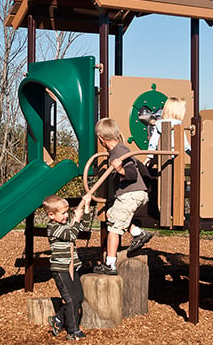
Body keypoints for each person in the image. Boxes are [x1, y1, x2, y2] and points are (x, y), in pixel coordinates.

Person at [93, 117, 150, 275]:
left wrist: (119, 170)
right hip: (134, 194)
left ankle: (110, 264)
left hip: (131, 194)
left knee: (114, 228)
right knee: (114, 215)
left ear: (101, 139)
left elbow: (131, 174)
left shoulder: (120, 152)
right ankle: (137, 233)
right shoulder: (119, 150)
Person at [43, 193, 94, 340]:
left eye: (67, 212)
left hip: (72, 266)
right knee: (70, 299)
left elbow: (83, 227)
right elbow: (71, 235)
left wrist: (86, 207)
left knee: (78, 297)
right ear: (51, 215)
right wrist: (76, 219)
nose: (66, 216)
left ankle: (58, 319)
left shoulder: (65, 223)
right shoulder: (52, 227)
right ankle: (73, 331)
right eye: (63, 213)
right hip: (60, 269)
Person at [145, 97, 190, 163]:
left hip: (162, 156)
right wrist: (193, 154)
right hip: (176, 156)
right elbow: (185, 145)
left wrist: (149, 156)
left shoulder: (159, 124)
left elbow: (153, 141)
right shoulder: (179, 125)